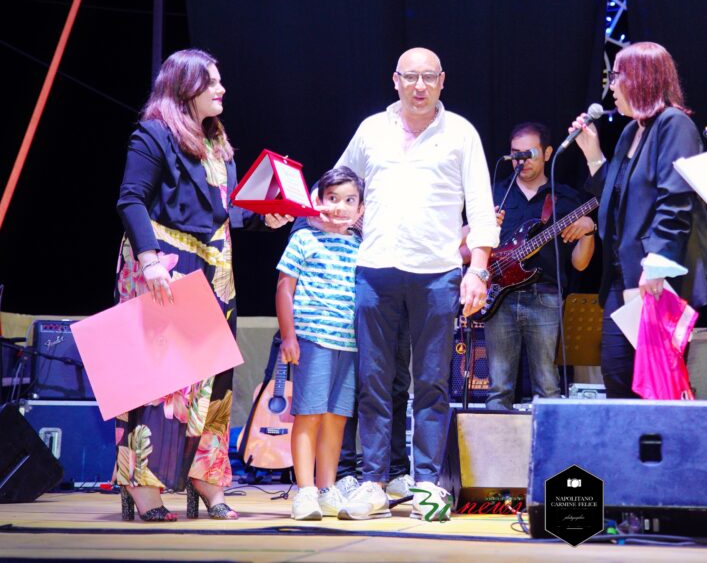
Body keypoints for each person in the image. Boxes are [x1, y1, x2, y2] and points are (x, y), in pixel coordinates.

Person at [115, 49, 291, 521]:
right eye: (211, 82)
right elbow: (131, 200)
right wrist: (149, 259)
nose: (221, 89)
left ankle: (207, 478)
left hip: (215, 269)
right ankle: (142, 486)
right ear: (184, 87)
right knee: (160, 380)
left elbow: (221, 210)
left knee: (215, 380)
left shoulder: (217, 141)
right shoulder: (154, 133)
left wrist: (263, 218)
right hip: (166, 264)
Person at [335, 48, 500, 521]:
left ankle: (427, 483)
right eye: (411, 77)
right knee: (373, 381)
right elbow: (341, 183)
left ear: (442, 80)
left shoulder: (461, 133)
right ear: (396, 80)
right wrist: (311, 210)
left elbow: (481, 207)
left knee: (432, 383)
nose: (420, 86)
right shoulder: (372, 130)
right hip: (375, 270)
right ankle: (373, 481)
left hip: (437, 274)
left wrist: (478, 269)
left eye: (429, 77)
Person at [569, 41, 707, 399]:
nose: (612, 87)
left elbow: (675, 200)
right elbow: (619, 200)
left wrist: (658, 265)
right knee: (618, 378)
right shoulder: (631, 132)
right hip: (623, 279)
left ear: (642, 79)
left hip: (655, 279)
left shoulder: (674, 125)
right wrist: (593, 155)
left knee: (656, 388)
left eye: (618, 76)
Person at [483, 122, 595, 410]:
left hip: (545, 296)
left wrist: (589, 231)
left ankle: (549, 440)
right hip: (498, 298)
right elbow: (466, 251)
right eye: (515, 154)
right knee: (498, 389)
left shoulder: (565, 198)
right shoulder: (494, 194)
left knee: (547, 387)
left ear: (547, 153)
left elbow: (580, 264)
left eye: (529, 154)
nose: (521, 161)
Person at [276, 166, 364, 520]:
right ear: (318, 201)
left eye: (349, 200)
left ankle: (327, 489)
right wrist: (289, 336)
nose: (340, 207)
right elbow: (285, 288)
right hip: (313, 340)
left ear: (360, 209)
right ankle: (305, 491)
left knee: (336, 418)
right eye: (332, 198)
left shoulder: (359, 245)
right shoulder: (304, 239)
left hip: (349, 344)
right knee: (309, 414)